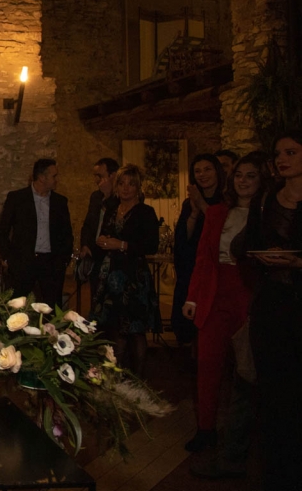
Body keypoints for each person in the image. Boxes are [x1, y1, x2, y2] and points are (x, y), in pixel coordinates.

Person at [182, 151, 268, 465]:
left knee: (247, 370)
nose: (243, 181)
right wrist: (192, 298)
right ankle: (206, 429)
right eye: (239, 175)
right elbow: (203, 258)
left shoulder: (267, 213)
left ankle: (246, 436)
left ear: (261, 180)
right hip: (216, 294)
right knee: (207, 364)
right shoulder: (217, 212)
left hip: (250, 294)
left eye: (251, 176)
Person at [245, 130, 302, 491]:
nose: (282, 159)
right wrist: (262, 257)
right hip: (272, 306)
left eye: (291, 152)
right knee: (274, 397)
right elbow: (250, 245)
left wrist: (297, 262)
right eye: (279, 153)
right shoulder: (266, 199)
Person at [90, 164, 160, 378]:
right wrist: (102, 241)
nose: (126, 188)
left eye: (131, 184)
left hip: (133, 279)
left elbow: (151, 245)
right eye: (121, 183)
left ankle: (138, 380)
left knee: (135, 331)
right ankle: (117, 379)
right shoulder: (112, 210)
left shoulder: (145, 212)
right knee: (115, 330)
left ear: (138, 187)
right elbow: (104, 235)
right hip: (111, 276)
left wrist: (121, 245)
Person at [0, 158, 74, 308]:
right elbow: (2, 231)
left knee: (52, 308)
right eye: (54, 176)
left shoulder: (60, 202)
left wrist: (63, 261)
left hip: (51, 264)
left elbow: (67, 234)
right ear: (42, 177)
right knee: (17, 307)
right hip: (23, 263)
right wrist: (9, 259)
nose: (57, 180)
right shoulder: (17, 198)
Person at [172, 153, 226, 345]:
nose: (202, 175)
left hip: (214, 265)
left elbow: (220, 229)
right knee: (185, 325)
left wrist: (202, 204)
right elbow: (183, 238)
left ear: (217, 172)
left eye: (207, 169)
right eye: (198, 171)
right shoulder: (190, 203)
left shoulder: (226, 200)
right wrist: (194, 212)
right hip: (192, 264)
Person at [78, 157, 119, 304]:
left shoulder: (121, 199)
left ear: (112, 176)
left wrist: (109, 195)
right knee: (96, 298)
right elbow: (88, 224)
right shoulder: (95, 197)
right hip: (95, 256)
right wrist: (85, 245)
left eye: (100, 176)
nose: (96, 180)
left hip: (113, 259)